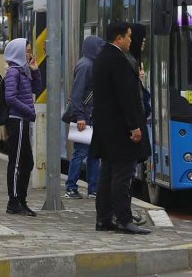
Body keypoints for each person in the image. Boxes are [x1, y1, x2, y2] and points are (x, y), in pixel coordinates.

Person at [90, 21, 151, 235]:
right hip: (120, 132)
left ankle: (104, 219)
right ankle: (124, 219)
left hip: (106, 131)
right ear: (119, 38)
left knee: (107, 176)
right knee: (123, 176)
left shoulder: (103, 57)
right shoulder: (117, 60)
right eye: (129, 36)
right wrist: (134, 126)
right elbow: (126, 98)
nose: (131, 40)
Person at [4, 38, 42, 216]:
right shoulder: (13, 72)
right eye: (26, 51)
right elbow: (9, 98)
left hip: (24, 120)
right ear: (18, 52)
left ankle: (22, 200)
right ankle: (13, 202)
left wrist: (35, 70)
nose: (29, 54)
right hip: (17, 120)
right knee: (17, 162)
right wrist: (28, 111)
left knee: (28, 162)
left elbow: (38, 88)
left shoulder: (24, 71)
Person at [64, 35, 104, 200]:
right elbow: (77, 94)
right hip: (84, 117)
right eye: (99, 47)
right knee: (80, 153)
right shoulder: (86, 66)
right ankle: (71, 187)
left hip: (91, 116)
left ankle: (93, 188)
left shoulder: (90, 64)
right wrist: (80, 116)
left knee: (93, 153)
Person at [126, 23, 152, 225]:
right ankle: (123, 214)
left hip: (135, 125)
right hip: (129, 130)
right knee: (123, 175)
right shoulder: (128, 63)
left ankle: (124, 212)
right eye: (140, 39)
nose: (144, 43)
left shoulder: (134, 62)